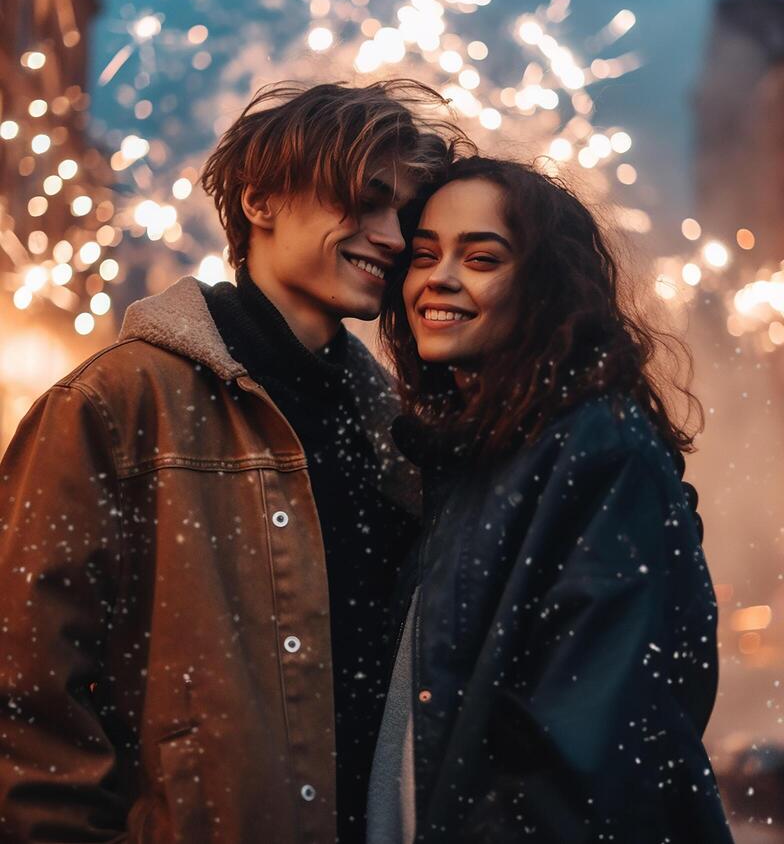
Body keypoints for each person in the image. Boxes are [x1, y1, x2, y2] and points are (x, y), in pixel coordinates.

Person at [0, 80, 470, 843]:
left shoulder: (398, 434)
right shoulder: (115, 407)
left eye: (404, 215)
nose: (391, 238)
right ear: (260, 200)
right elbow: (27, 702)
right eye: (364, 198)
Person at [368, 156, 734, 843]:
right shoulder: (465, 457)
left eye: (481, 258)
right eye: (424, 254)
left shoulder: (599, 451)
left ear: (542, 287)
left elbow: (591, 753)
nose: (439, 276)